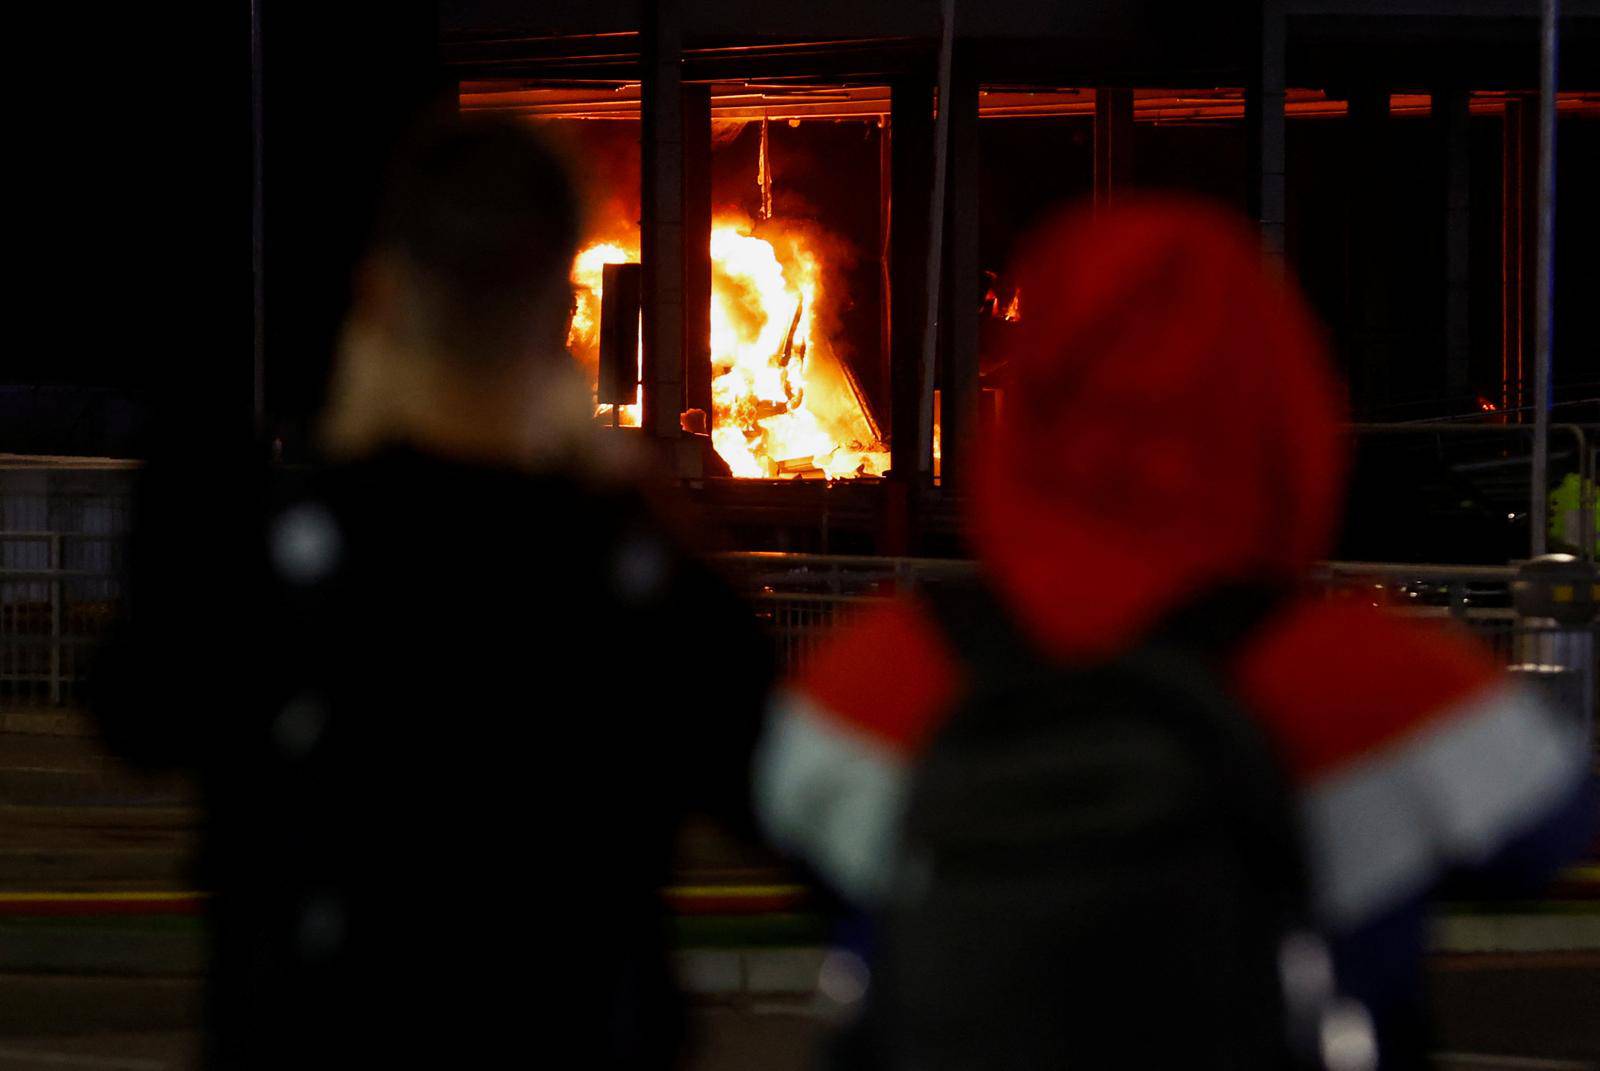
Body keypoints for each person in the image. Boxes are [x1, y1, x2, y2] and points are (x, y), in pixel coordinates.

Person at [754, 199, 1593, 1069]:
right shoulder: (1369, 674)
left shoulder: (885, 671)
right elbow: (1546, 829)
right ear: (1279, 404)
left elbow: (791, 830)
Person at [93, 115, 773, 1068]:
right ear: (559, 316)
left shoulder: (272, 561)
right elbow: (808, 806)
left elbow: (135, 711)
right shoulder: (637, 579)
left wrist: (218, 477)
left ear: (382, 294)